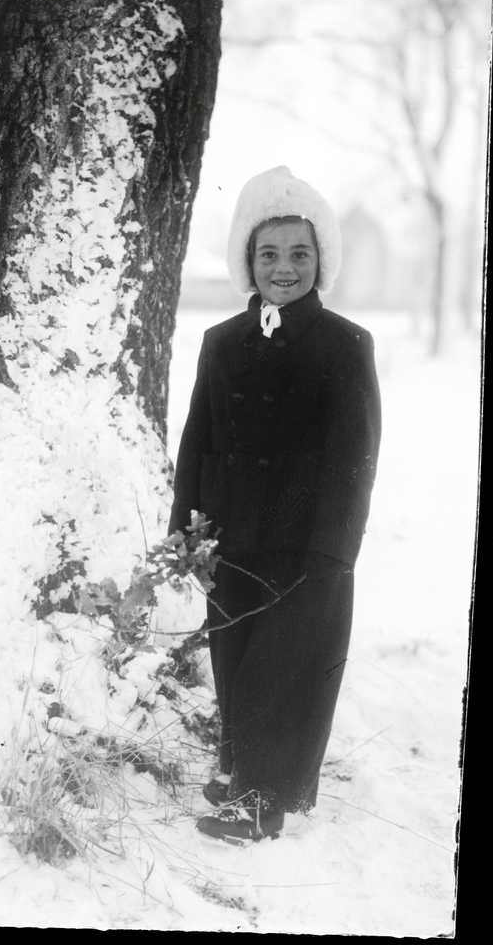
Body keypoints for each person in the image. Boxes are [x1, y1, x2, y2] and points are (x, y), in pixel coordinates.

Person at [168, 165, 381, 843]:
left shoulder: (344, 344)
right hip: (231, 536)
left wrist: (333, 553)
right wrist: (187, 534)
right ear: (247, 261)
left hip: (304, 548)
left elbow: (354, 460)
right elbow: (198, 442)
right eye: (268, 254)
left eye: (298, 254)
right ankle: (241, 769)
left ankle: (264, 803)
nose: (283, 268)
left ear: (320, 260)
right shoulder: (221, 342)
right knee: (235, 658)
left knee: (283, 672)